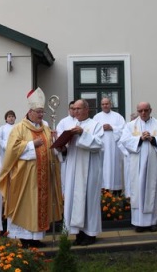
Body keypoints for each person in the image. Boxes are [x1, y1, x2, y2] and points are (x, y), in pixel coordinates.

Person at [0, 88, 62, 248]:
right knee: (26, 206)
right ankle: (24, 238)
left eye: (43, 112)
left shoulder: (46, 128)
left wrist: (55, 143)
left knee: (39, 206)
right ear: (30, 111)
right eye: (38, 112)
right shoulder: (19, 128)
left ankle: (36, 238)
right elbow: (12, 150)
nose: (41, 115)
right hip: (25, 177)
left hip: (42, 176)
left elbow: (51, 150)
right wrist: (32, 145)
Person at [119, 102, 157, 233]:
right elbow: (124, 140)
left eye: (146, 110)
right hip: (137, 166)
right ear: (137, 111)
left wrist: (153, 139)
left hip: (154, 165)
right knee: (138, 192)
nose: (143, 113)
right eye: (140, 110)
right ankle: (138, 223)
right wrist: (140, 139)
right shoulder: (130, 125)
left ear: (150, 110)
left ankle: (152, 222)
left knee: (152, 191)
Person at [62, 99, 104, 246]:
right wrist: (62, 148)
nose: (76, 111)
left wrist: (82, 134)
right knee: (74, 199)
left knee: (89, 200)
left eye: (79, 109)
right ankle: (78, 233)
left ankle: (90, 233)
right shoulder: (71, 125)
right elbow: (67, 149)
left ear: (87, 110)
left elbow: (99, 144)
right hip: (73, 168)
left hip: (90, 168)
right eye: (74, 109)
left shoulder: (95, 125)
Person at [93, 97, 126, 194]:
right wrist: (101, 129)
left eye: (107, 104)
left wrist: (112, 128)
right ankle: (103, 191)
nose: (105, 106)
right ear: (101, 105)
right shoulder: (96, 117)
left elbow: (124, 130)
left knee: (115, 168)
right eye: (103, 104)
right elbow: (93, 131)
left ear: (110, 104)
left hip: (114, 148)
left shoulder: (118, 117)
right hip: (101, 147)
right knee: (102, 168)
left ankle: (116, 192)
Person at [55, 101, 77, 194]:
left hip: (77, 152)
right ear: (69, 110)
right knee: (66, 177)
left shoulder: (80, 121)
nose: (74, 110)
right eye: (72, 108)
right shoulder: (63, 122)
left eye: (75, 108)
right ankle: (64, 196)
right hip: (67, 153)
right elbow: (59, 136)